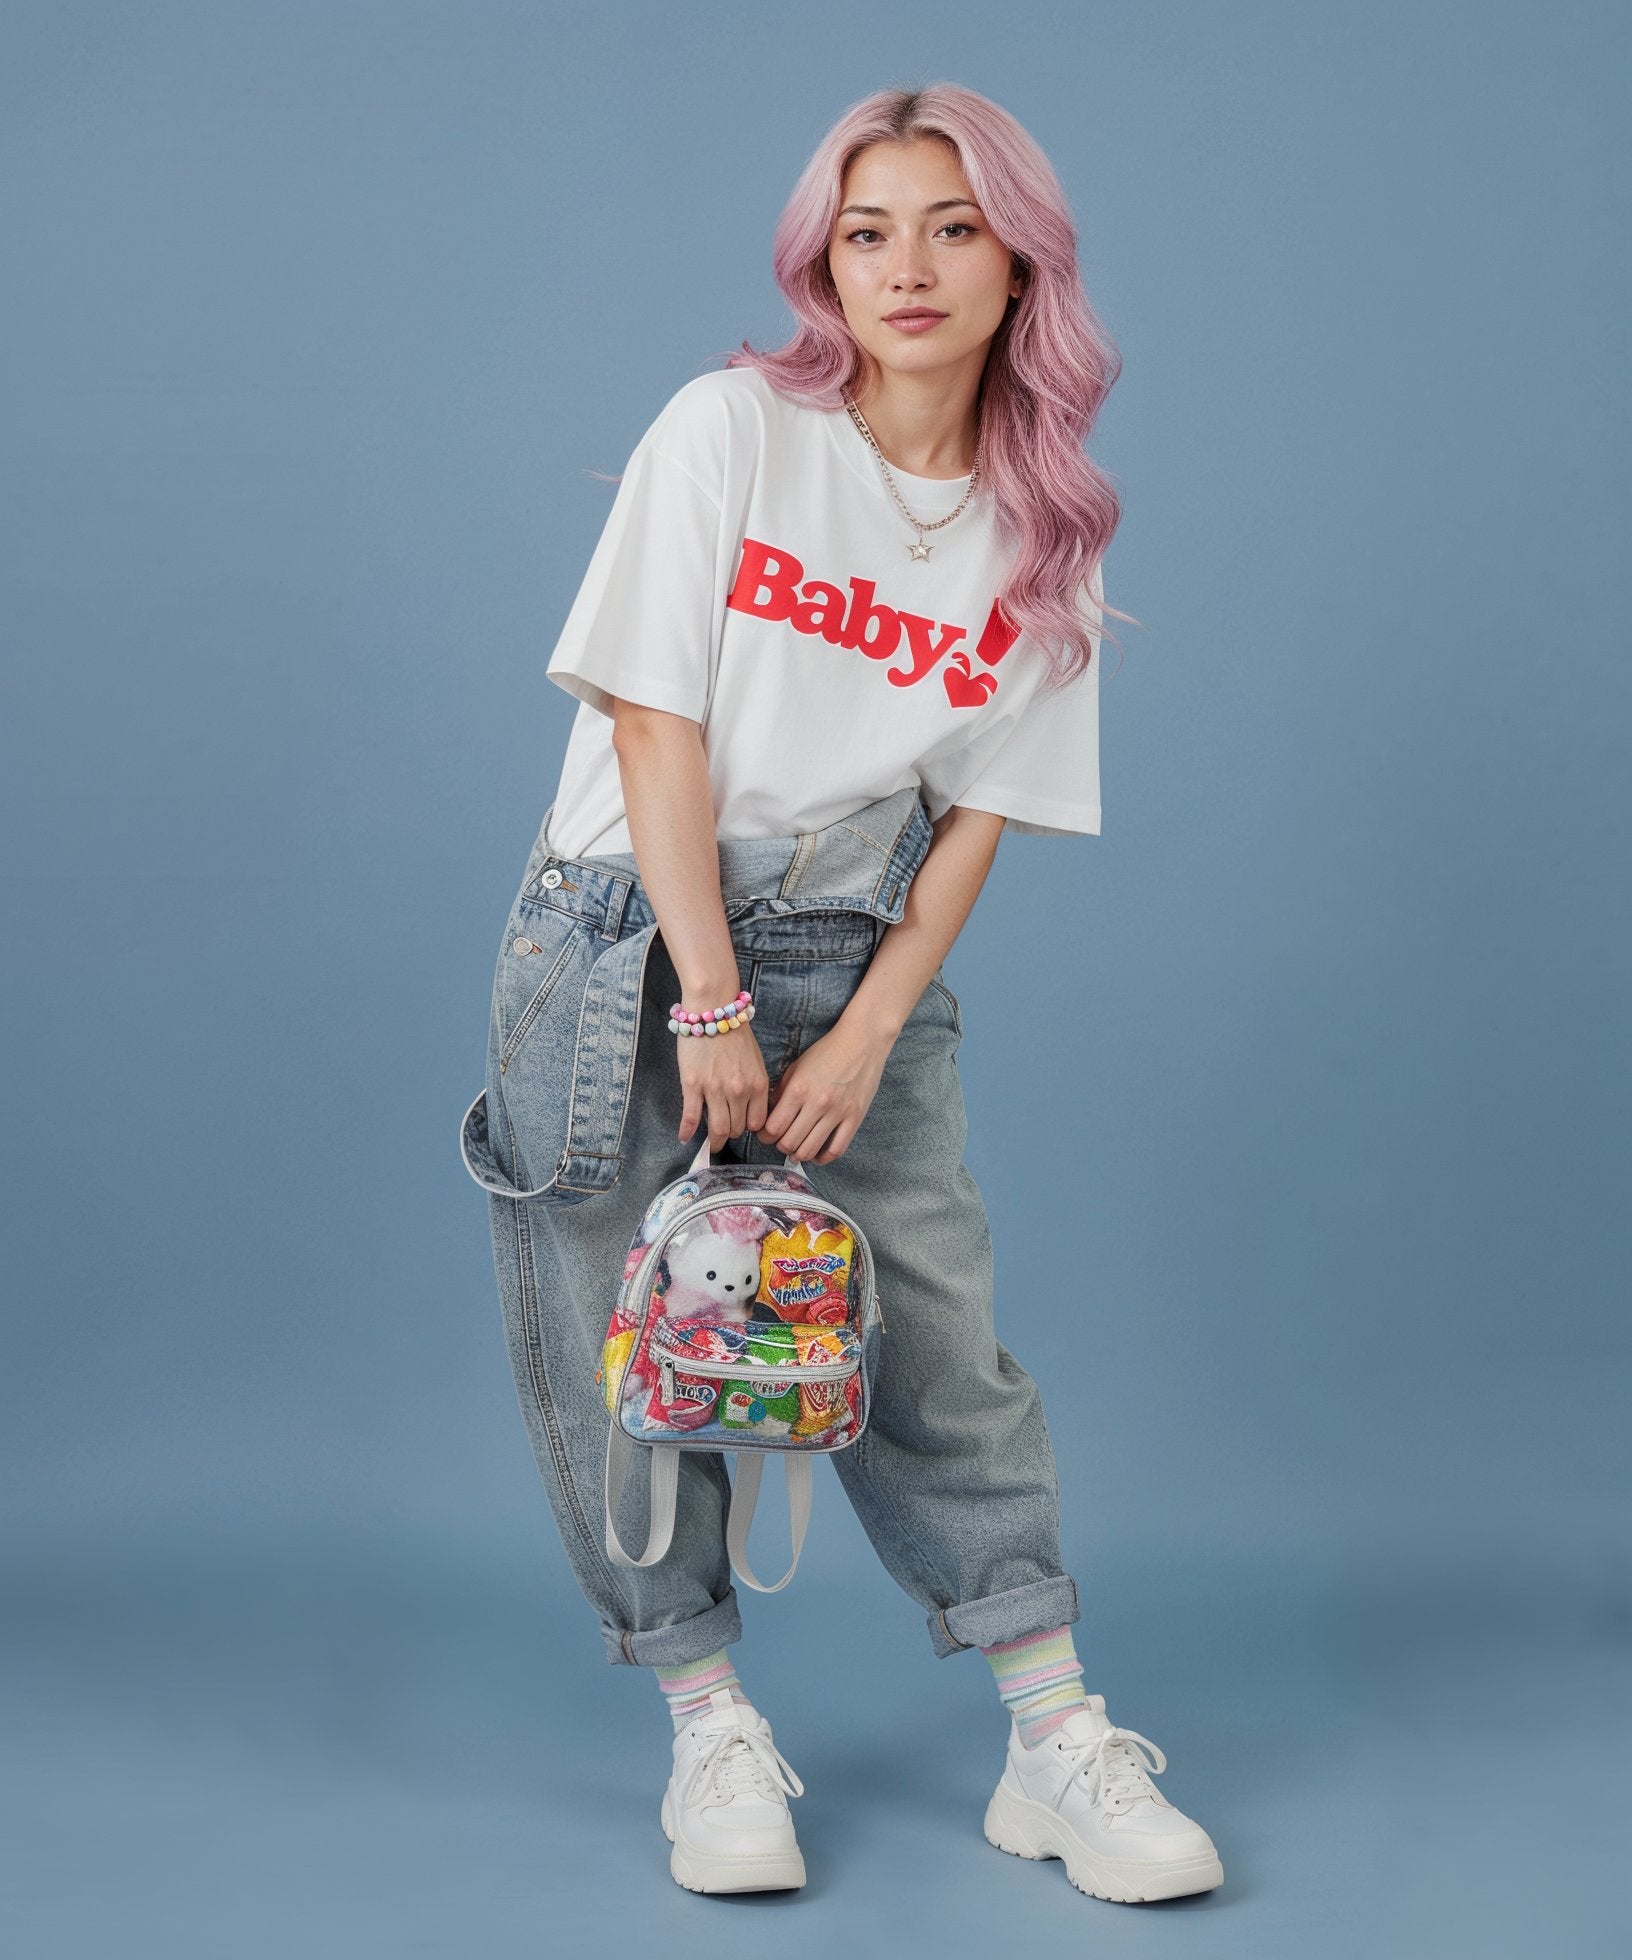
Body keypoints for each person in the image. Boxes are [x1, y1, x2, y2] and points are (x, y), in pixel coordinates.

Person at [459, 81, 1223, 1906]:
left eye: (954, 228)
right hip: (630, 938)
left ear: (1021, 261)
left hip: (856, 946)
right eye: (868, 230)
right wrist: (711, 1001)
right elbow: (652, 712)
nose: (907, 267)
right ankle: (708, 1726)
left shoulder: (1049, 522)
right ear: (823, 256)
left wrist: (872, 1022)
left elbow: (981, 814)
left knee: (934, 1341)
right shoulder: (729, 431)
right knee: (634, 1347)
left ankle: (1055, 1742)